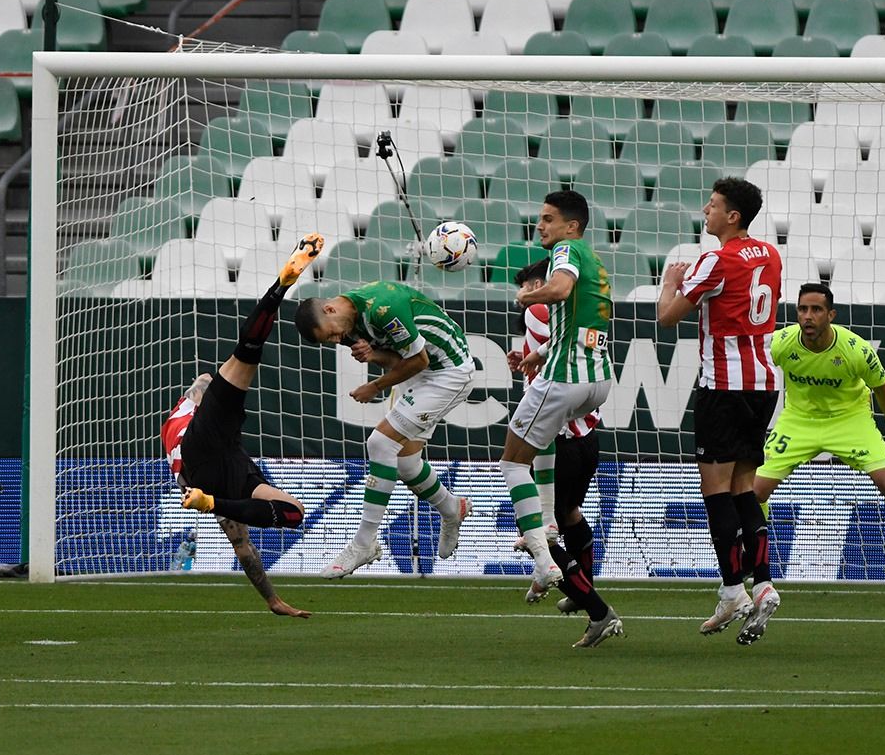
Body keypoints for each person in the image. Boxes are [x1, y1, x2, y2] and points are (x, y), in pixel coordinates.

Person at [754, 283, 885, 600]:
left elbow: (883, 388)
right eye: (803, 309)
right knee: (755, 492)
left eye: (816, 310)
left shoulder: (855, 349)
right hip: (799, 421)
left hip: (850, 420)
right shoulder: (781, 342)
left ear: (831, 315)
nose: (808, 316)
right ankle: (757, 566)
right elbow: (754, 371)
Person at [164, 233, 324, 618]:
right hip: (207, 449)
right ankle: (281, 285)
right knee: (244, 356)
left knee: (293, 513)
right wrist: (206, 392)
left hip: (218, 473)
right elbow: (204, 383)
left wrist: (272, 600)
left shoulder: (180, 423)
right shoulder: (187, 412)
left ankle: (282, 285)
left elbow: (243, 549)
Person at [657, 177, 784, 645]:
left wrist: (670, 283)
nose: (705, 211)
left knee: (716, 493)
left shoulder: (716, 260)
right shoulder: (769, 254)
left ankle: (733, 590)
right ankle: (763, 583)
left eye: (711, 206)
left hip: (724, 386)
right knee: (744, 489)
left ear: (732, 216)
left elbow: (667, 317)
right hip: (763, 384)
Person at [292, 281, 476, 578]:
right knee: (406, 463)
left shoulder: (383, 309)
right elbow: (397, 361)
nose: (337, 339)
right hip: (422, 374)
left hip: (448, 372)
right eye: (330, 340)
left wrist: (375, 386)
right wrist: (372, 356)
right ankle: (452, 508)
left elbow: (419, 360)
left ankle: (364, 543)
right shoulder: (347, 328)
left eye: (332, 334)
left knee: (380, 443)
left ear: (330, 309)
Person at [502, 190, 620, 645]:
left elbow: (561, 290)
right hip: (597, 382)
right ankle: (561, 556)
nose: (541, 226)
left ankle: (544, 556)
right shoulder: (596, 261)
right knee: (564, 504)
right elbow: (581, 320)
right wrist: (539, 354)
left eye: (548, 219)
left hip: (564, 381)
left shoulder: (566, 252)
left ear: (572, 226)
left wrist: (526, 295)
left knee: (513, 465)